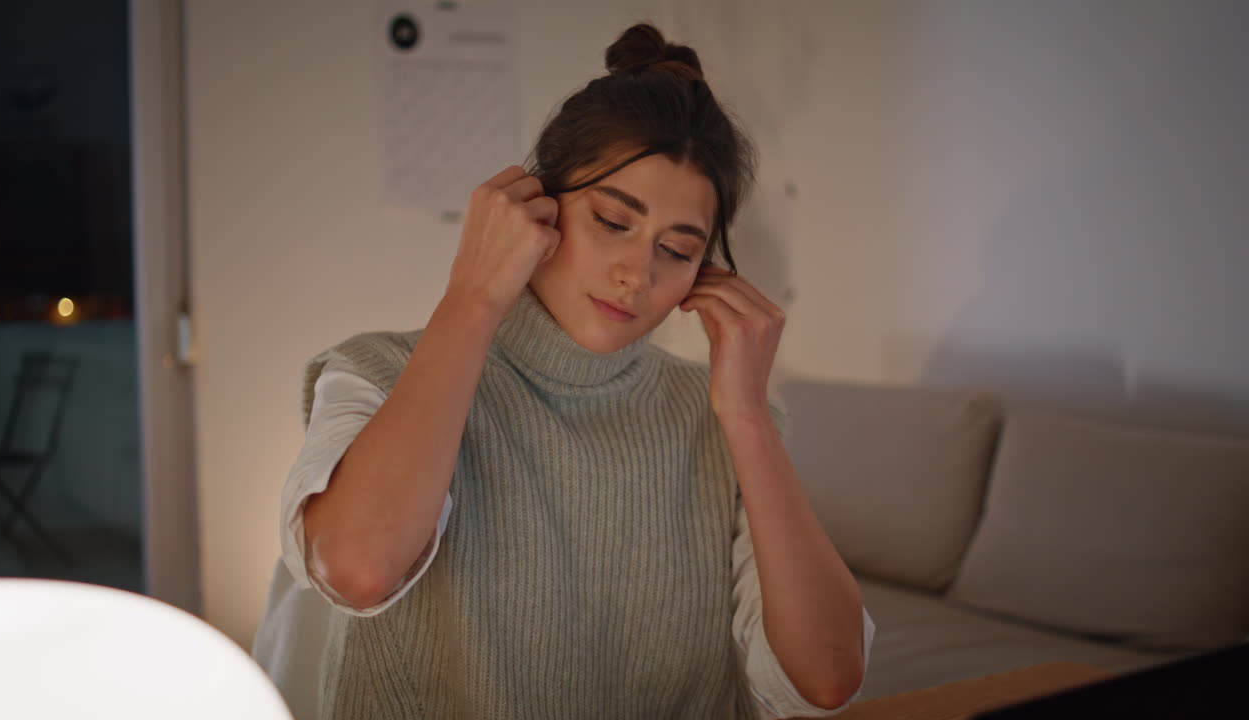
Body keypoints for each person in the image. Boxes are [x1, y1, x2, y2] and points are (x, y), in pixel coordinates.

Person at [252, 22, 875, 720]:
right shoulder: (376, 370)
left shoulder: (718, 419)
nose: (637, 275)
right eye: (613, 221)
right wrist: (473, 295)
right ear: (537, 208)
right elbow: (360, 569)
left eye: (677, 249)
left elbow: (828, 677)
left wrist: (749, 417)